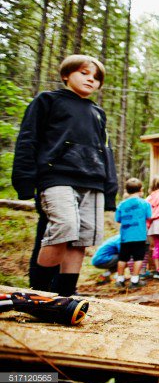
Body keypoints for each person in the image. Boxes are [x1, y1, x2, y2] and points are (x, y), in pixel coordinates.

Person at [12, 54, 118, 297]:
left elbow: (105, 150)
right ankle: (39, 293)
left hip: (93, 181)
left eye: (96, 78)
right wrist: (25, 180)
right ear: (66, 75)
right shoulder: (47, 100)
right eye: (84, 73)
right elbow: (28, 138)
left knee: (81, 238)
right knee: (64, 228)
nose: (91, 80)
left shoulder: (97, 112)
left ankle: (65, 295)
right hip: (57, 176)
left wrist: (110, 188)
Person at [114, 178, 151, 289]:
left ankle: (119, 280)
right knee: (138, 258)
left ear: (126, 190)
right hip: (139, 236)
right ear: (141, 190)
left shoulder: (121, 204)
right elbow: (149, 217)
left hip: (125, 236)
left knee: (122, 258)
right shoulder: (144, 203)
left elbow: (118, 219)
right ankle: (134, 280)